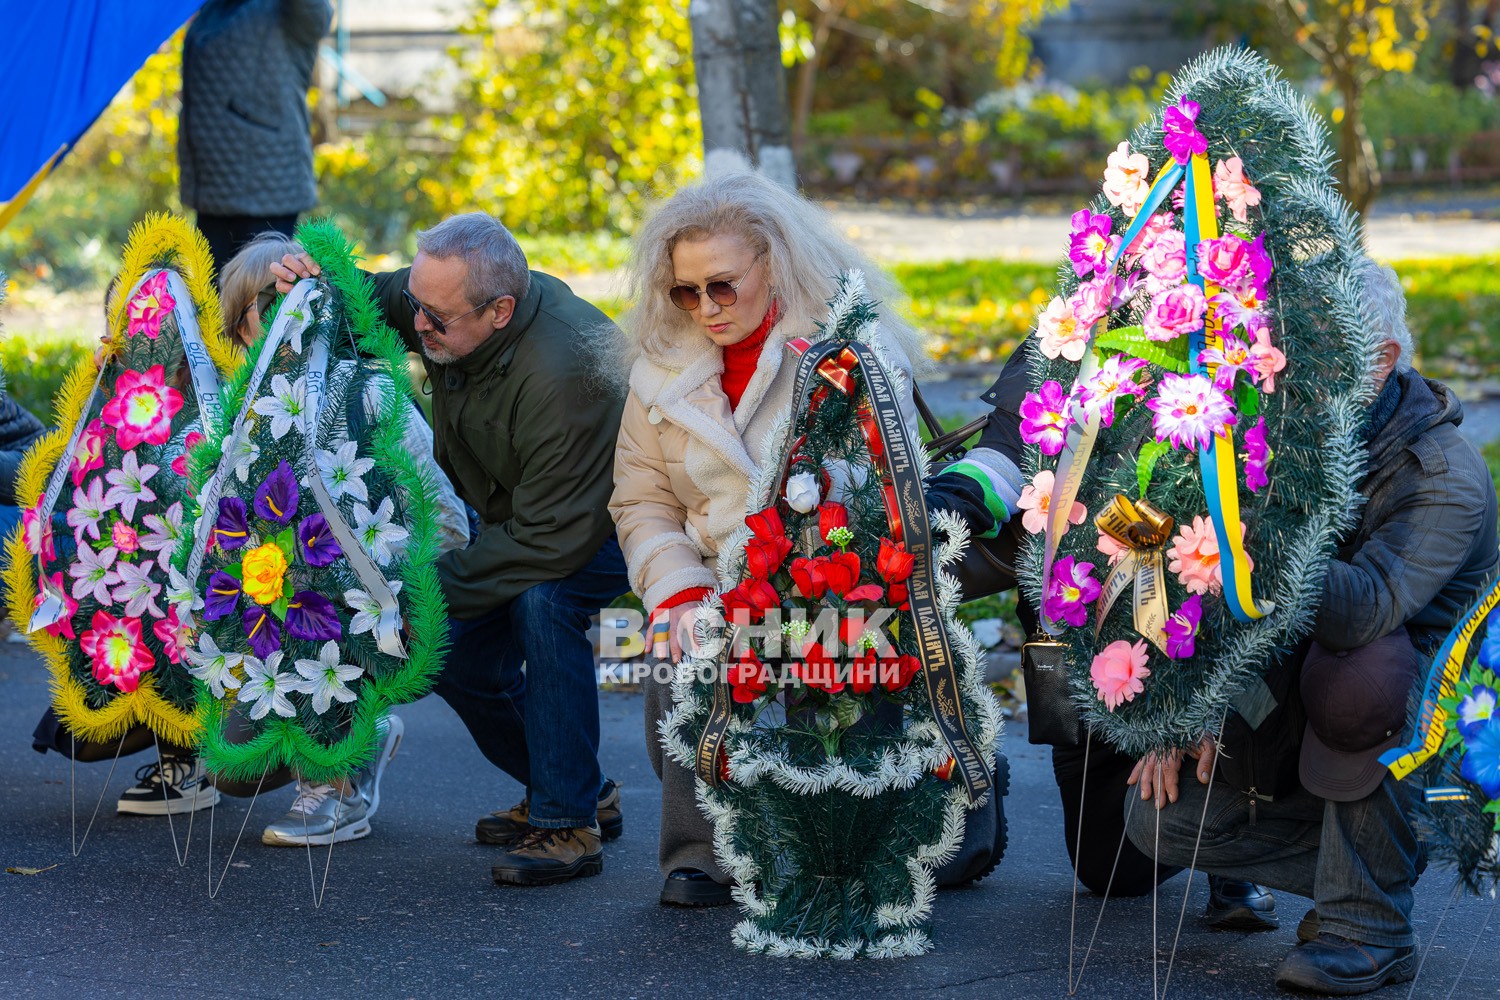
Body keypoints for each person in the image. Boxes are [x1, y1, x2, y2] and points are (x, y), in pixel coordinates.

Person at [1121, 259, 1499, 995]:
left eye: (1311, 348)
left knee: (1367, 674)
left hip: (1425, 720)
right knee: (1159, 821)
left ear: (1380, 358)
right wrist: (1195, 709)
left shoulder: (1442, 474)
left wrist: (1239, 529)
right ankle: (1352, 873)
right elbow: (1219, 589)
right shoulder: (1291, 431)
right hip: (1307, 691)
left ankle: (1369, 925)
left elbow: (1361, 611)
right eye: (1280, 342)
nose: (1281, 366)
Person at [271, 212, 629, 886]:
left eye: (434, 317)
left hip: (608, 518)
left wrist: (421, 596)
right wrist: (305, 279)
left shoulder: (561, 371)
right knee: (454, 654)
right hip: (520, 514)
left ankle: (568, 825)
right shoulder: (446, 301)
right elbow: (371, 294)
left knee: (543, 605)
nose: (417, 325)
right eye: (417, 303)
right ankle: (579, 788)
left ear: (500, 311)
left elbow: (550, 539)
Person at [608, 168, 927, 906]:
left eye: (723, 286)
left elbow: (888, 486)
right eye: (685, 292)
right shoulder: (659, 369)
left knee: (832, 652)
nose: (705, 308)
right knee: (677, 651)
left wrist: (799, 578)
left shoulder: (851, 347)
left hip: (835, 572)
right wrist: (679, 590)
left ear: (774, 266)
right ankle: (704, 852)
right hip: (715, 577)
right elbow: (642, 499)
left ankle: (852, 836)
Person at [930, 341, 1281, 929]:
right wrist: (952, 495)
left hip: (1197, 607)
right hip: (1085, 626)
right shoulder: (1072, 326)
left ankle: (1232, 838)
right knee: (1109, 870)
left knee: (1229, 705)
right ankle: (1163, 789)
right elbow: (1007, 448)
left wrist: (1184, 706)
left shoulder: (1231, 331)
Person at [216, 232, 470, 846]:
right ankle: (366, 737)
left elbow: (445, 518)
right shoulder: (241, 409)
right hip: (277, 603)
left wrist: (387, 587)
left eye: (295, 299)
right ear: (240, 330)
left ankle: (337, 792)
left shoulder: (368, 391)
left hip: (371, 603)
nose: (284, 318)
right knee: (231, 767)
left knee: (314, 602)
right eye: (265, 307)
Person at [180, 0, 333, 270]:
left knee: (260, 290)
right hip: (212, 186)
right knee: (211, 292)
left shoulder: (284, 11)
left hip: (267, 186)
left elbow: (316, 16)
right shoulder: (214, 8)